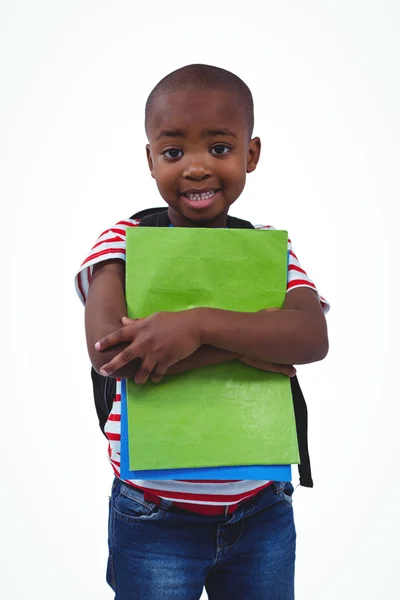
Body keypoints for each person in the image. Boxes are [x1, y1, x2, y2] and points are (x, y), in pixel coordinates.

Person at [75, 64, 330, 600]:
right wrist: (249, 344)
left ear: (251, 155)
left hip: (262, 510)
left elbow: (310, 337)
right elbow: (111, 356)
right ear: (150, 160)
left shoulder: (268, 249)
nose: (196, 168)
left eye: (219, 148)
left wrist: (196, 327)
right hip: (153, 515)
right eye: (173, 153)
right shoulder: (123, 242)